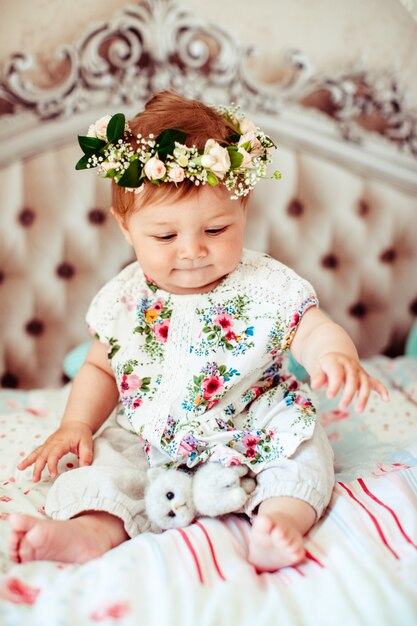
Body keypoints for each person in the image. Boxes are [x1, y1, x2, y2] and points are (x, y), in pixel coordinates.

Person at [8, 92, 389, 572]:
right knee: (107, 460)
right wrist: (76, 425)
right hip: (151, 428)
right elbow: (99, 367)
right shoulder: (123, 297)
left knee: (305, 447)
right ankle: (88, 530)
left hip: (254, 415)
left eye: (216, 230)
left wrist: (334, 356)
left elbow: (312, 329)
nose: (192, 251)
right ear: (126, 228)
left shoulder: (266, 284)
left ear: (243, 210)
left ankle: (281, 520)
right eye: (165, 236)